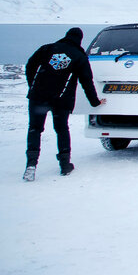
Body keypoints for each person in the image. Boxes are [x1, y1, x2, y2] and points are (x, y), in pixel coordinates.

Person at [24, 27, 106, 181]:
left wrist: (33, 86)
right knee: (61, 129)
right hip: (61, 99)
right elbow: (86, 82)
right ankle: (64, 165)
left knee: (35, 129)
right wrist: (95, 102)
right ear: (80, 39)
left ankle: (31, 166)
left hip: (38, 96)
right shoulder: (79, 56)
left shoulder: (47, 48)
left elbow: (30, 66)